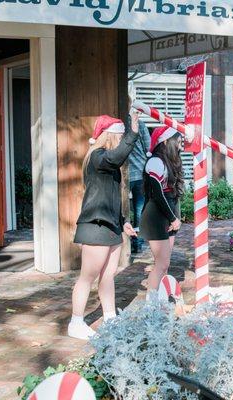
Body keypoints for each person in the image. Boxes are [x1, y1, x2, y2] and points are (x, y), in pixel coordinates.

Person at [69, 113, 140, 340]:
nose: (121, 141)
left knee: (108, 276)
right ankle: (76, 322)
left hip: (111, 227)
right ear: (109, 136)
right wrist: (134, 132)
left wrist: (124, 222)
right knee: (86, 278)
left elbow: (108, 198)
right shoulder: (98, 158)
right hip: (95, 227)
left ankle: (110, 318)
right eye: (119, 136)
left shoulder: (109, 165)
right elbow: (117, 156)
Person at [141, 126, 185, 298]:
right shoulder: (155, 162)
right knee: (161, 264)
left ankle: (161, 298)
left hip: (167, 213)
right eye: (178, 142)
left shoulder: (168, 161)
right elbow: (157, 195)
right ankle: (151, 305)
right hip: (156, 215)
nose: (180, 146)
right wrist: (173, 218)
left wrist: (173, 217)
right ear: (165, 141)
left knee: (164, 264)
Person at [127, 106, 151, 253]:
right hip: (140, 172)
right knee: (139, 209)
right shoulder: (140, 125)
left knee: (122, 210)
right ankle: (137, 243)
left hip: (124, 175)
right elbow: (149, 148)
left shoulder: (119, 125)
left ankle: (124, 242)